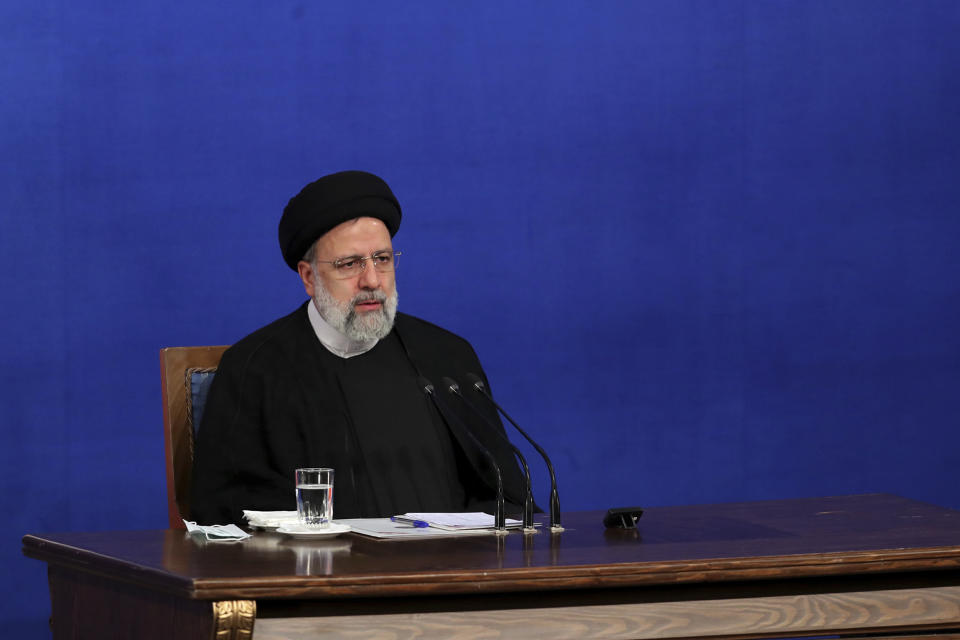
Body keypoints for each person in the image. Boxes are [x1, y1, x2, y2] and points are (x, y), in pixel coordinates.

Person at [190, 170, 526, 525]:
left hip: (446, 573)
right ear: (308, 277)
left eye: (382, 259)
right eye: (349, 264)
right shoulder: (254, 369)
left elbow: (506, 496)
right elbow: (225, 509)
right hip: (317, 575)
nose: (371, 280)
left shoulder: (447, 359)